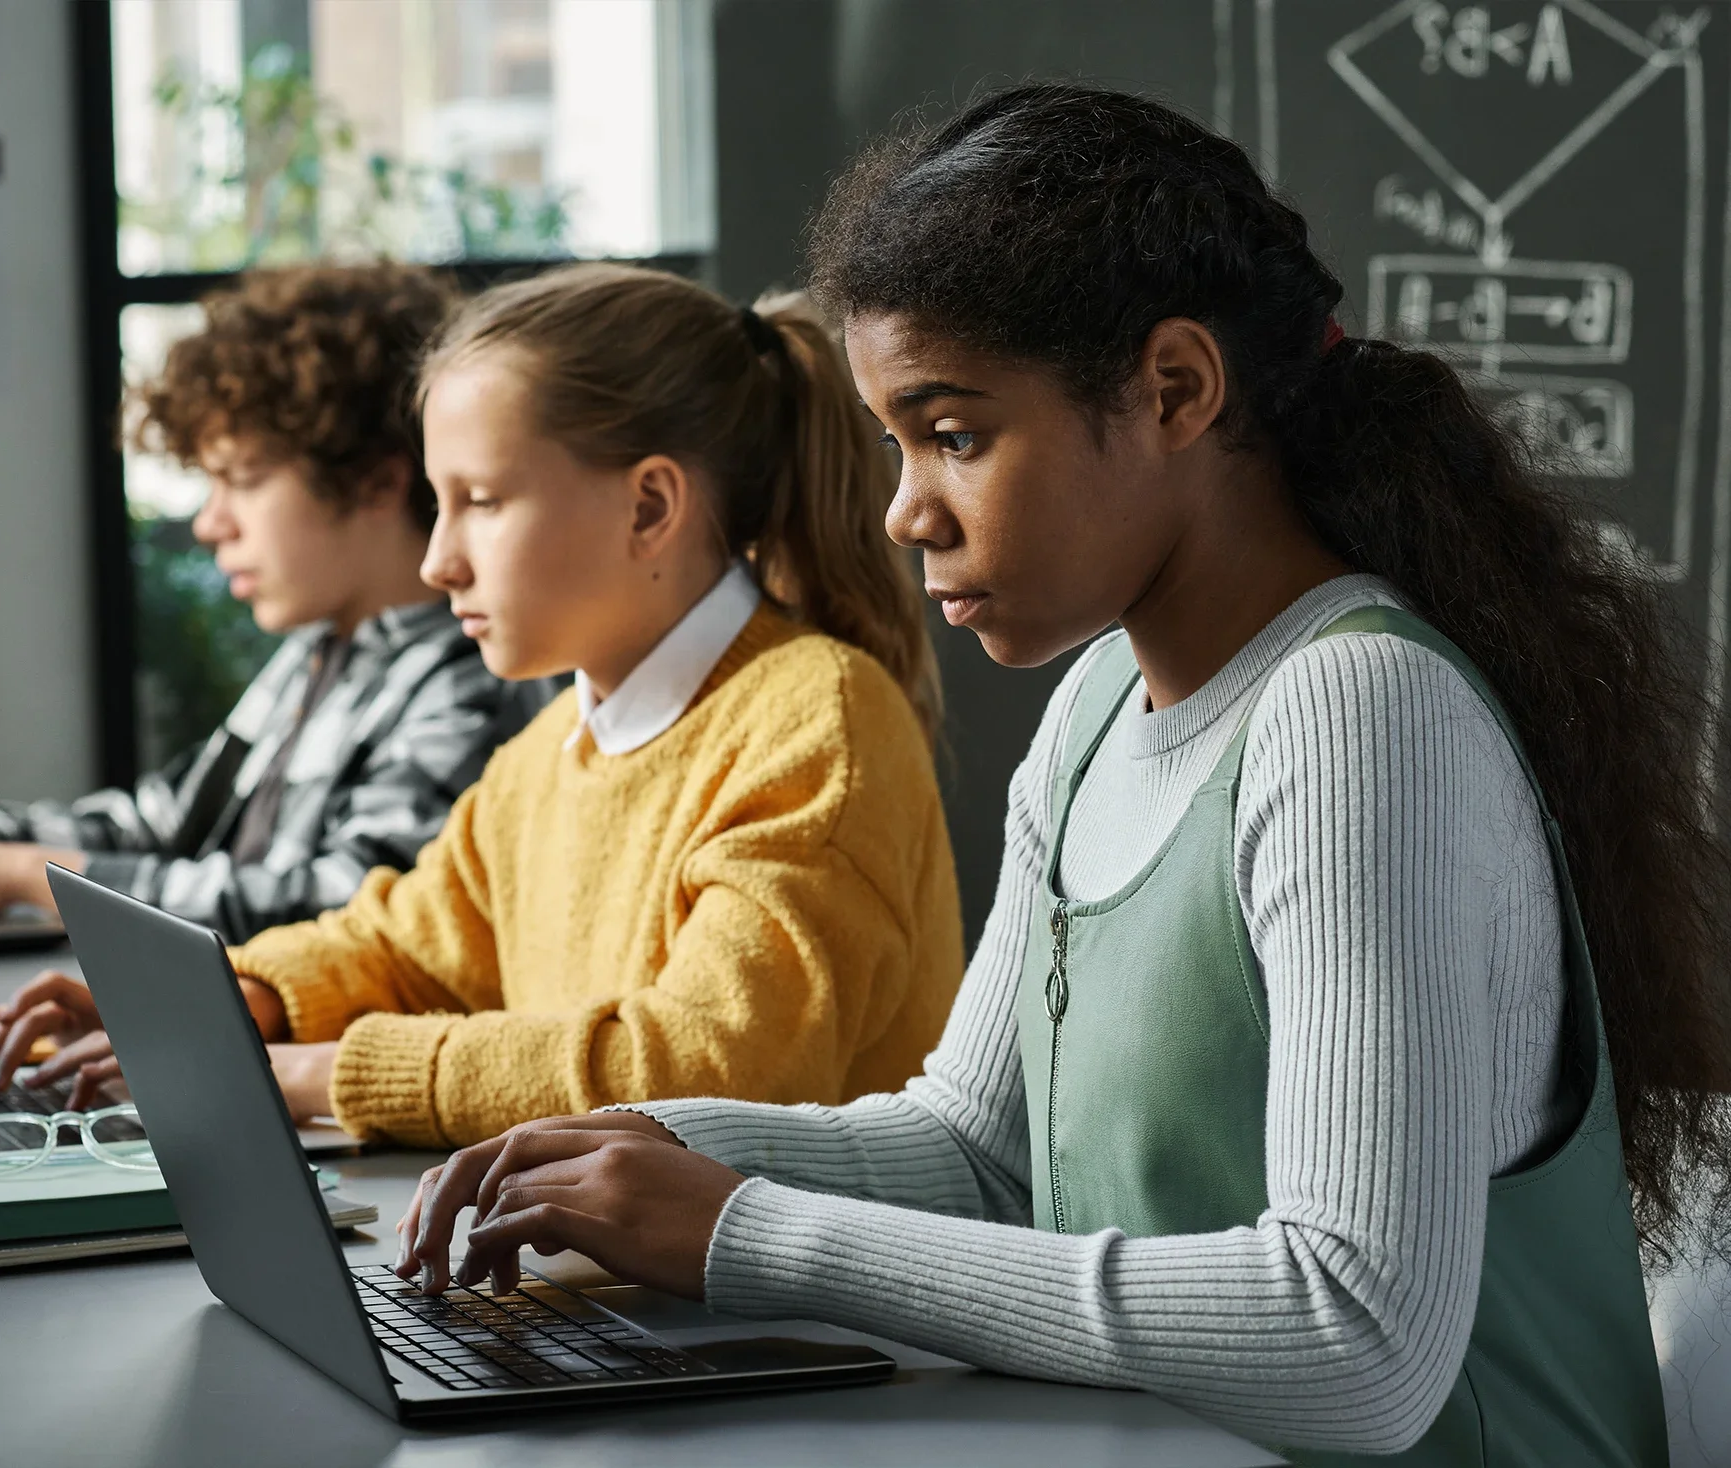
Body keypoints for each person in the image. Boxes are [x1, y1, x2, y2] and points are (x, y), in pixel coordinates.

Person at [391, 87, 1731, 1465]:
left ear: (1174, 391)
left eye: (955, 435)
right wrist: (627, 1142)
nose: (906, 508)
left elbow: (1355, 1339)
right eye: (896, 443)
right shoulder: (1099, 700)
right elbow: (977, 1151)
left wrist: (743, 1231)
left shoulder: (1358, 714)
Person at [0, 263, 965, 1149]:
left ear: (650, 507)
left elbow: (706, 1067)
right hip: (611, 1291)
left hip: (795, 1327)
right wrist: (234, 1001)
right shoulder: (550, 753)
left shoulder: (820, 719)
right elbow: (401, 947)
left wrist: (326, 1076)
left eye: (481, 502)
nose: (436, 559)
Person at [0, 263, 519, 944]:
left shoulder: (469, 680)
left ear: (375, 482)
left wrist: (13, 875)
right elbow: (162, 822)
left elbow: (337, 917)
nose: (212, 524)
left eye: (243, 479)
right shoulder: (320, 655)